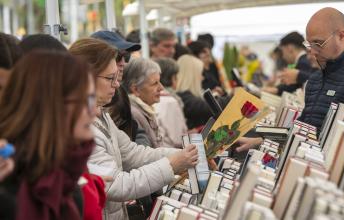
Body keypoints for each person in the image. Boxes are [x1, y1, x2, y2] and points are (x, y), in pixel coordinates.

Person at [69, 38, 198, 219]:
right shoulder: (78, 125)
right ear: (86, 77)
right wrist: (172, 164)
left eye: (117, 77)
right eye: (110, 78)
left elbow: (133, 153)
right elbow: (117, 185)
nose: (116, 84)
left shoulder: (102, 115)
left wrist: (184, 155)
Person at [236, 7, 344, 151]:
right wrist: (262, 141)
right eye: (309, 44)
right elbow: (301, 129)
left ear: (341, 36)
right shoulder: (316, 79)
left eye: (318, 43)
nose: (313, 51)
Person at [0, 50, 97, 219]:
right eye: (87, 100)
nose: (94, 111)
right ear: (52, 105)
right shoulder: (10, 187)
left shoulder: (63, 180)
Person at [122, 58, 164, 148]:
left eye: (159, 82)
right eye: (155, 83)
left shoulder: (142, 109)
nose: (161, 87)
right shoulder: (133, 114)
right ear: (136, 89)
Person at [153, 58, 188, 148]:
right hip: (170, 154)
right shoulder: (170, 101)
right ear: (172, 78)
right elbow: (178, 139)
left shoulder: (151, 98)